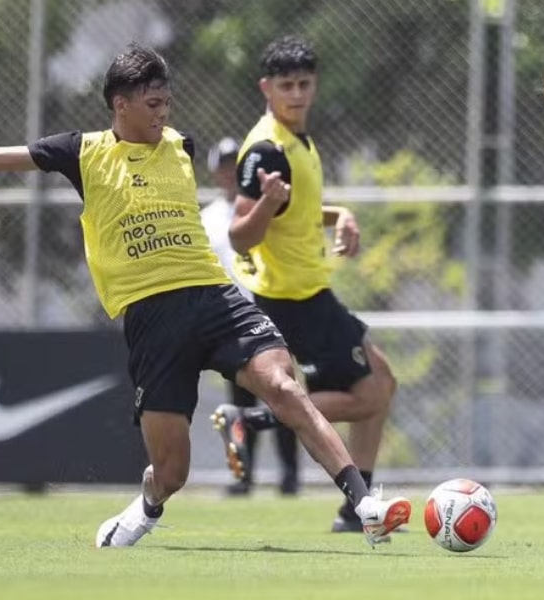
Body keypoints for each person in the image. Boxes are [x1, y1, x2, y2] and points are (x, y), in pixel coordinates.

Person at [0, 43, 409, 548]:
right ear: (120, 104)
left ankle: (364, 506)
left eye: (167, 103)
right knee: (172, 471)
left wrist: (330, 214)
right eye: (152, 104)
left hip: (216, 297)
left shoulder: (180, 146)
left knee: (283, 386)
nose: (163, 113)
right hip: (154, 320)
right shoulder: (82, 153)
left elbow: (266, 212)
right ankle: (147, 507)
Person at [209, 36, 399, 534]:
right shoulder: (267, 149)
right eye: (286, 85)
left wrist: (341, 215)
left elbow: (301, 211)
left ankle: (354, 510)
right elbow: (239, 233)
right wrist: (267, 204)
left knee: (381, 385)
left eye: (304, 84)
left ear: (314, 85)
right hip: (289, 299)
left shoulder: (298, 140)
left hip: (311, 293)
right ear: (266, 88)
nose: (296, 93)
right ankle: (252, 422)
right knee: (372, 392)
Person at [204, 137, 301, 497]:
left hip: (270, 307)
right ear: (215, 173)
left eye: (235, 166)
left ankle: (290, 475)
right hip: (231, 318)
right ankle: (243, 476)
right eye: (224, 167)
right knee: (241, 400)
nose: (230, 173)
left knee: (284, 391)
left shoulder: (268, 208)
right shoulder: (208, 219)